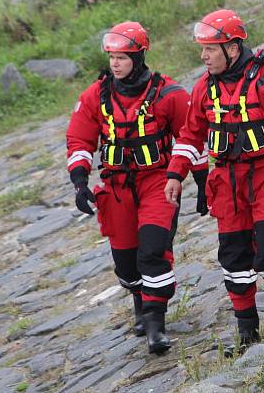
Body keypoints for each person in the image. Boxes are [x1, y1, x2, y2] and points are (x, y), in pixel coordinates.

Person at [163, 9, 264, 351]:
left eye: (210, 49)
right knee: (234, 258)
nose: (203, 56)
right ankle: (248, 334)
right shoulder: (204, 89)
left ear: (232, 49)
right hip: (226, 182)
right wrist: (176, 173)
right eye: (202, 49)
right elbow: (190, 136)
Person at [66, 21, 208, 355]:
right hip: (116, 188)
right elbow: (80, 138)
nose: (115, 63)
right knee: (127, 263)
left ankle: (156, 325)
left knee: (153, 251)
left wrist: (201, 181)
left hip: (158, 181)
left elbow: (192, 136)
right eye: (112, 57)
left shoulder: (168, 94)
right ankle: (140, 305)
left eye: (123, 57)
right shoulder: (96, 95)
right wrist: (80, 181)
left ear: (139, 56)